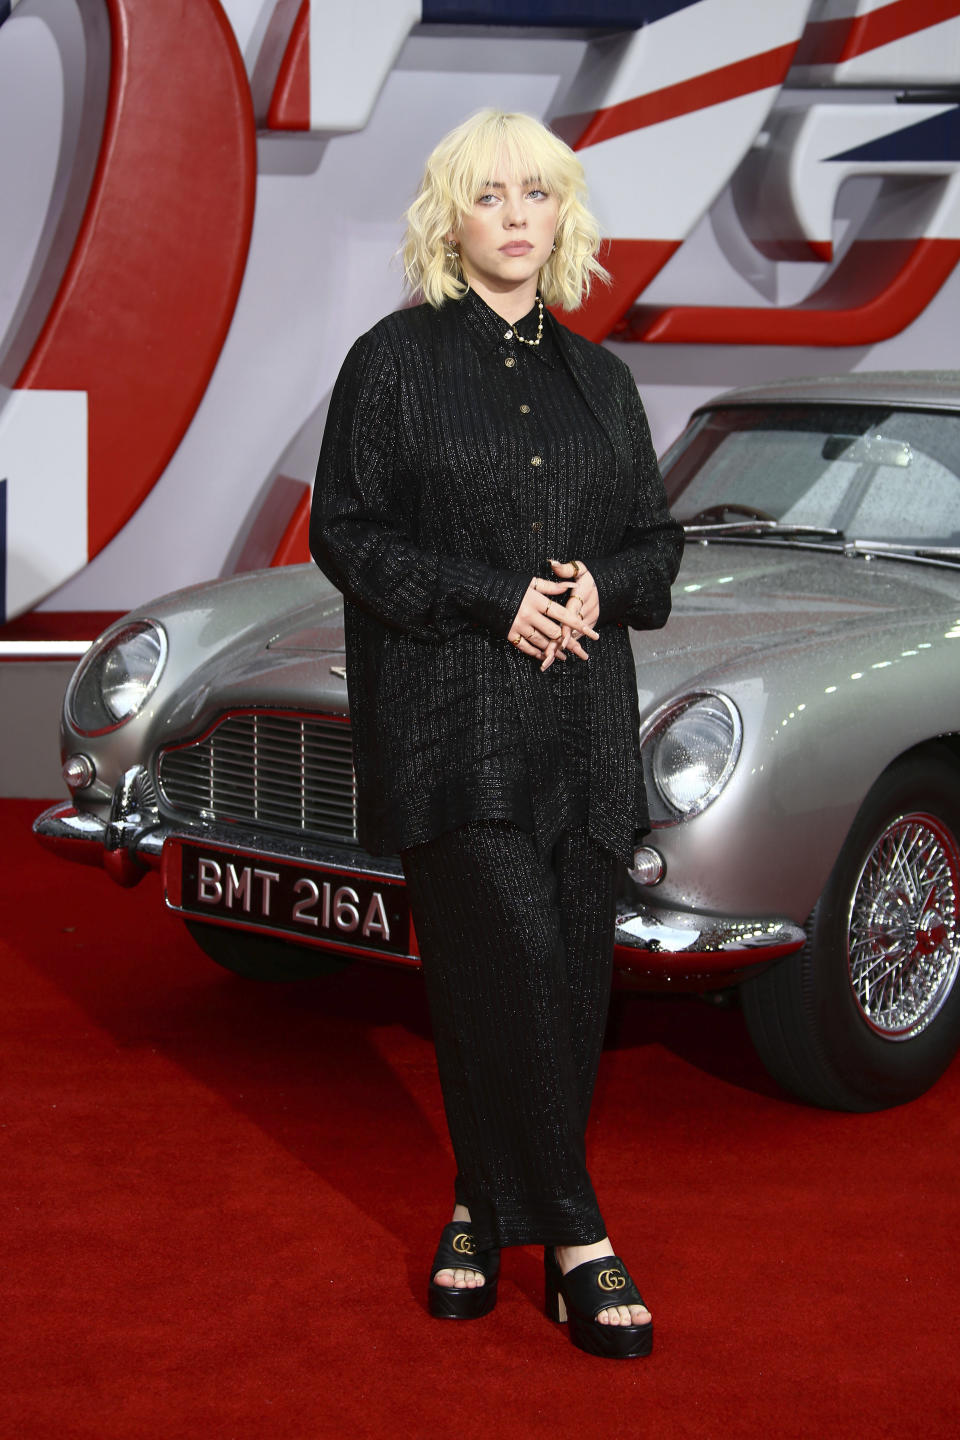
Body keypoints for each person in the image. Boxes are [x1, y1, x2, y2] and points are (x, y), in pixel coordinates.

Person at [310, 108, 684, 1360]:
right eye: (490, 195)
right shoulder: (394, 360)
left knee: (569, 979)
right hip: (449, 719)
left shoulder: (604, 380)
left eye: (536, 194)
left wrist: (601, 590)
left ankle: (479, 1206)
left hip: (580, 726)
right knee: (515, 953)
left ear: (561, 216)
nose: (516, 215)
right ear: (450, 217)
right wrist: (493, 595)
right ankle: (579, 1237)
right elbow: (347, 534)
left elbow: (656, 542)